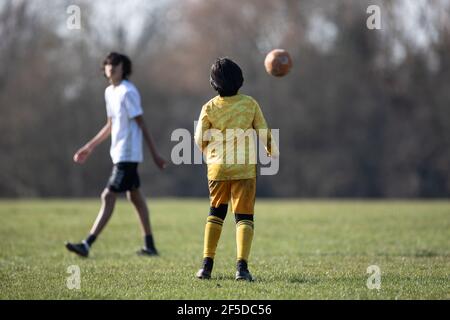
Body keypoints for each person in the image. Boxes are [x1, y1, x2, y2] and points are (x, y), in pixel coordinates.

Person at [65, 52, 166, 258]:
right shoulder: (109, 92)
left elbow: (141, 123)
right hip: (118, 152)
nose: (111, 67)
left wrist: (155, 153)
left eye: (116, 64)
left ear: (123, 68)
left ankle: (87, 243)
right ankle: (150, 246)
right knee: (135, 196)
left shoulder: (128, 92)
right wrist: (89, 146)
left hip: (128, 154)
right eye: (108, 64)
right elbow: (111, 124)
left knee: (108, 195)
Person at [194, 57, 278, 281]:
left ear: (213, 84)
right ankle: (242, 268)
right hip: (244, 169)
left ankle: (206, 266)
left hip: (217, 169)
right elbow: (264, 132)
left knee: (216, 214)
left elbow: (199, 138)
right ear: (241, 81)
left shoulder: (209, 107)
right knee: (244, 217)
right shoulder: (250, 103)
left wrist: (208, 153)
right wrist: (271, 150)